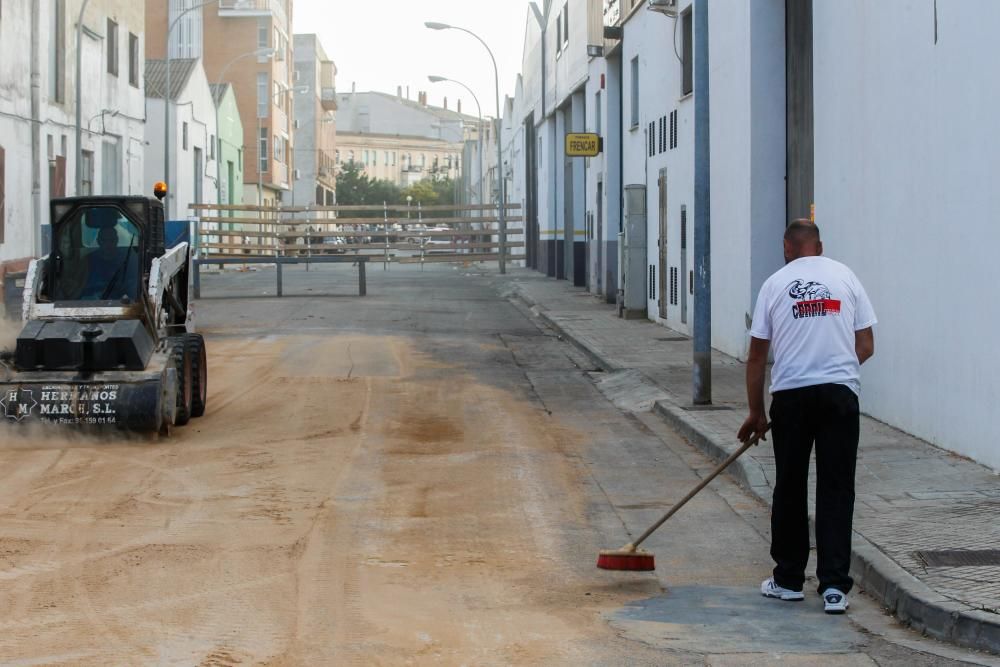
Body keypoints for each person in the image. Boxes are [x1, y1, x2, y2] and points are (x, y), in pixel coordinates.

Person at [738, 220, 876, 615]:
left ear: (786, 247)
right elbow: (866, 344)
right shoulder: (845, 276)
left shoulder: (774, 284)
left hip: (792, 396)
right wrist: (837, 369)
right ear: (820, 247)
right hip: (839, 396)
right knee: (836, 488)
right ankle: (834, 588)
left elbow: (757, 357)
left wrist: (756, 413)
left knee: (791, 486)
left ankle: (788, 580)